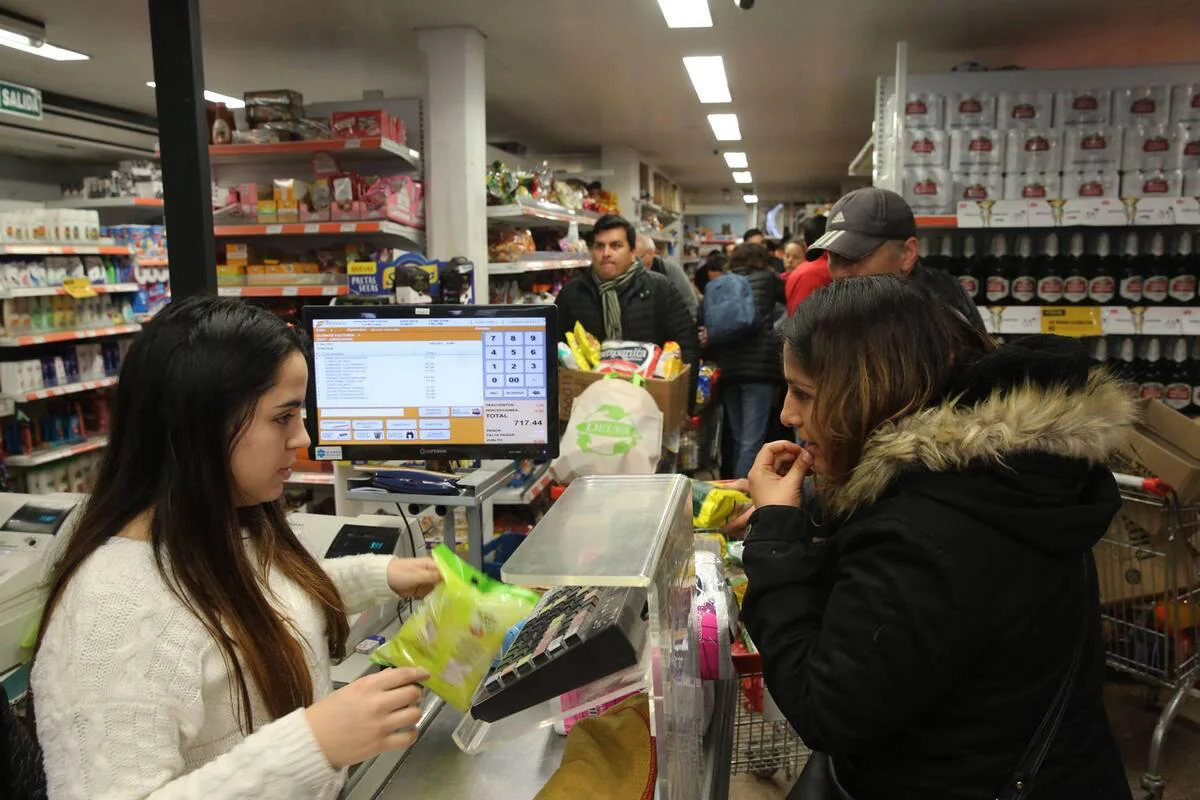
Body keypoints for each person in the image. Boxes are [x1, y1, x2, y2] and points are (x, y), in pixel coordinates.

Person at [741, 276, 1133, 800]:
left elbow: (826, 707)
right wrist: (810, 511)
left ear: (869, 393)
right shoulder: (1000, 480)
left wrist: (775, 539)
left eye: (804, 393)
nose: (788, 414)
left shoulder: (922, 536)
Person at [33, 298, 441, 799]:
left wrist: (381, 575)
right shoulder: (109, 613)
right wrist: (312, 746)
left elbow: (257, 603)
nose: (303, 437)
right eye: (283, 418)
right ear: (201, 424)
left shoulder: (226, 527)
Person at [805, 187, 985, 333]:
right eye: (835, 256)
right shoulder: (841, 312)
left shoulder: (941, 321)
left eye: (856, 255)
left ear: (907, 254)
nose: (842, 272)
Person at [556, 215, 699, 384]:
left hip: (648, 399)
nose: (606, 253)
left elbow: (687, 348)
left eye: (616, 246)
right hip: (589, 399)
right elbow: (553, 349)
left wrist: (681, 406)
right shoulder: (572, 293)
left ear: (632, 252)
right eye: (599, 246)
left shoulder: (659, 289)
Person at [700, 243, 786, 478]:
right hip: (759, 369)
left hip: (727, 368)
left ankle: (735, 492)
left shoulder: (720, 284)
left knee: (738, 438)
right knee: (752, 440)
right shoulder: (768, 279)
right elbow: (791, 298)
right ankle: (745, 496)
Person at [634, 234, 698, 320]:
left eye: (637, 259)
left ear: (651, 253)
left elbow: (689, 303)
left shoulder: (670, 270)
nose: (633, 264)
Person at [784, 215, 832, 314]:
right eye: (787, 256)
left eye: (796, 257)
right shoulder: (833, 268)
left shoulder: (800, 272)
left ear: (806, 246)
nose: (789, 261)